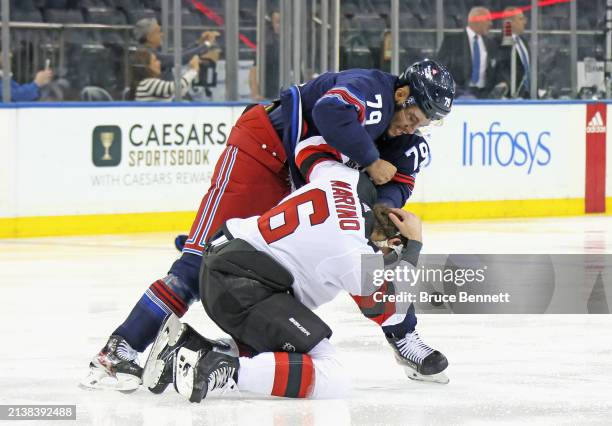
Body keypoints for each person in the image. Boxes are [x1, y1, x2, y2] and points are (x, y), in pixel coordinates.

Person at [81, 59, 455, 391]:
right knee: (195, 265)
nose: (413, 127)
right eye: (413, 116)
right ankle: (118, 351)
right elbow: (331, 112)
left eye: (424, 123)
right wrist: (372, 162)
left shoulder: (406, 142)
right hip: (262, 151)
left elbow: (399, 186)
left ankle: (405, 339)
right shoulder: (372, 91)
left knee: (366, 256)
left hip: (298, 174)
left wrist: (380, 215)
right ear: (402, 93)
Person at [142, 155, 447, 402]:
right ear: (389, 242)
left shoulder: (343, 179)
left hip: (226, 258)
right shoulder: (353, 253)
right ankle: (220, 370)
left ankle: (188, 348)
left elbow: (310, 150)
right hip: (243, 287)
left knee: (284, 351)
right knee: (331, 373)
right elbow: (388, 307)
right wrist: (415, 247)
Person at [437, 6, 497, 98]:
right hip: (459, 94)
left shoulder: (490, 43)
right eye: (488, 20)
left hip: (485, 95)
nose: (491, 24)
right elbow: (440, 67)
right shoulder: (452, 41)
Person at [134, 18, 220, 80]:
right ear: (149, 37)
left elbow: (179, 55)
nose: (162, 35)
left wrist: (199, 43)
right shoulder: (146, 54)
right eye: (158, 32)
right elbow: (179, 58)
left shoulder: (149, 50)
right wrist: (207, 44)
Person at [127, 49, 199, 101]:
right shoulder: (148, 84)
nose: (159, 63)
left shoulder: (149, 83)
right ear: (147, 66)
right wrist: (193, 70)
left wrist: (191, 69)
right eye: (155, 60)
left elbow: (179, 91)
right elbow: (176, 86)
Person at [494, 7, 530, 98]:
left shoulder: (523, 41)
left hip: (530, 94)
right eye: (521, 19)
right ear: (510, 22)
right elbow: (501, 69)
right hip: (511, 96)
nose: (525, 22)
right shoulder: (498, 42)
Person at [249, 11, 281, 101]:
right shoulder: (268, 45)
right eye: (277, 22)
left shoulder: (293, 44)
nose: (280, 25)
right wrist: (255, 94)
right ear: (272, 24)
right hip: (269, 96)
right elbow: (254, 70)